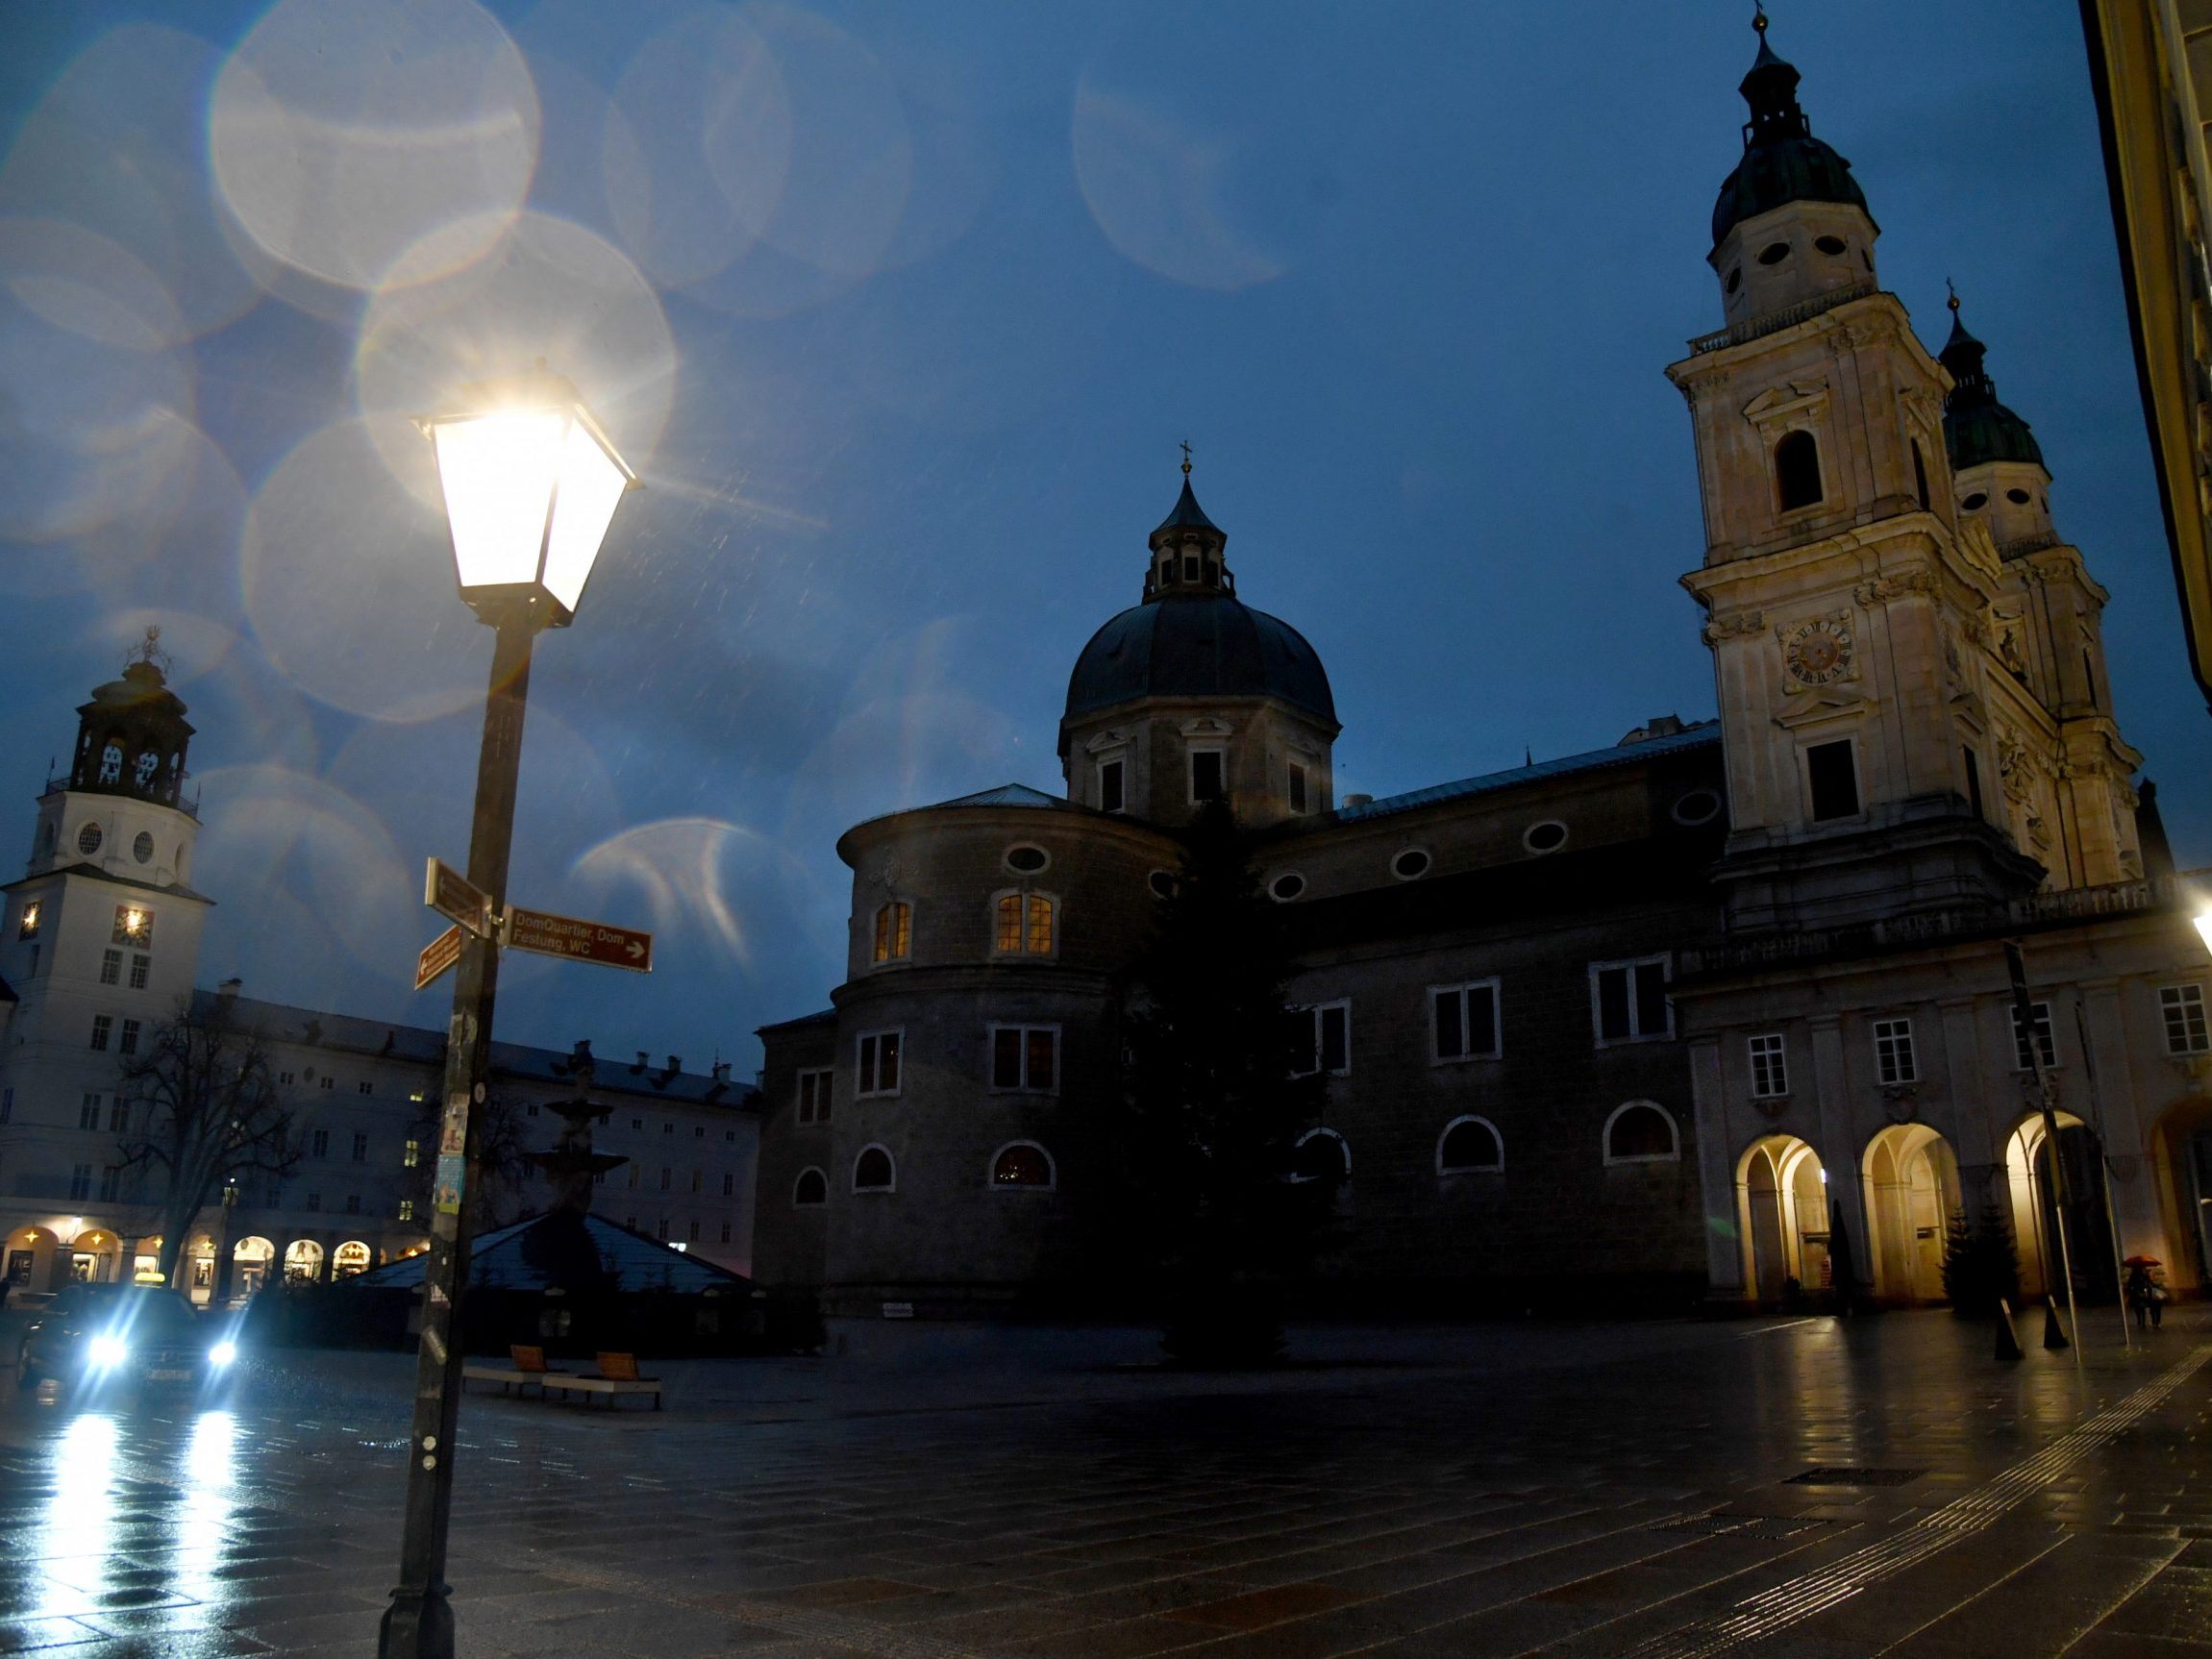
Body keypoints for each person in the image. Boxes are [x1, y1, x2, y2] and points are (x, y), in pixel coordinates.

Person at [2125, 1263, 2164, 1331]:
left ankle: (2143, 1321)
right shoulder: (2139, 1276)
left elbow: (2148, 1283)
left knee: (2141, 1308)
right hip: (2140, 1295)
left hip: (2142, 1295)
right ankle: (2144, 1321)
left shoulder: (2140, 1275)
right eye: (2143, 1268)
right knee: (2141, 1307)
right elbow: (2133, 1286)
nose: (2144, 1269)